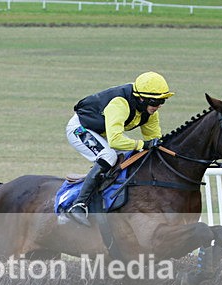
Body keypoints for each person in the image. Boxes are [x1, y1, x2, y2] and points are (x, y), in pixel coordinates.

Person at [64, 71, 174, 226]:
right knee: (108, 156)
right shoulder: (120, 103)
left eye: (162, 101)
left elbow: (153, 141)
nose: (158, 106)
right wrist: (142, 145)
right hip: (80, 129)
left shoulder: (149, 112)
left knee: (134, 154)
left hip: (102, 132)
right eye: (155, 101)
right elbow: (116, 141)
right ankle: (78, 205)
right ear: (141, 98)